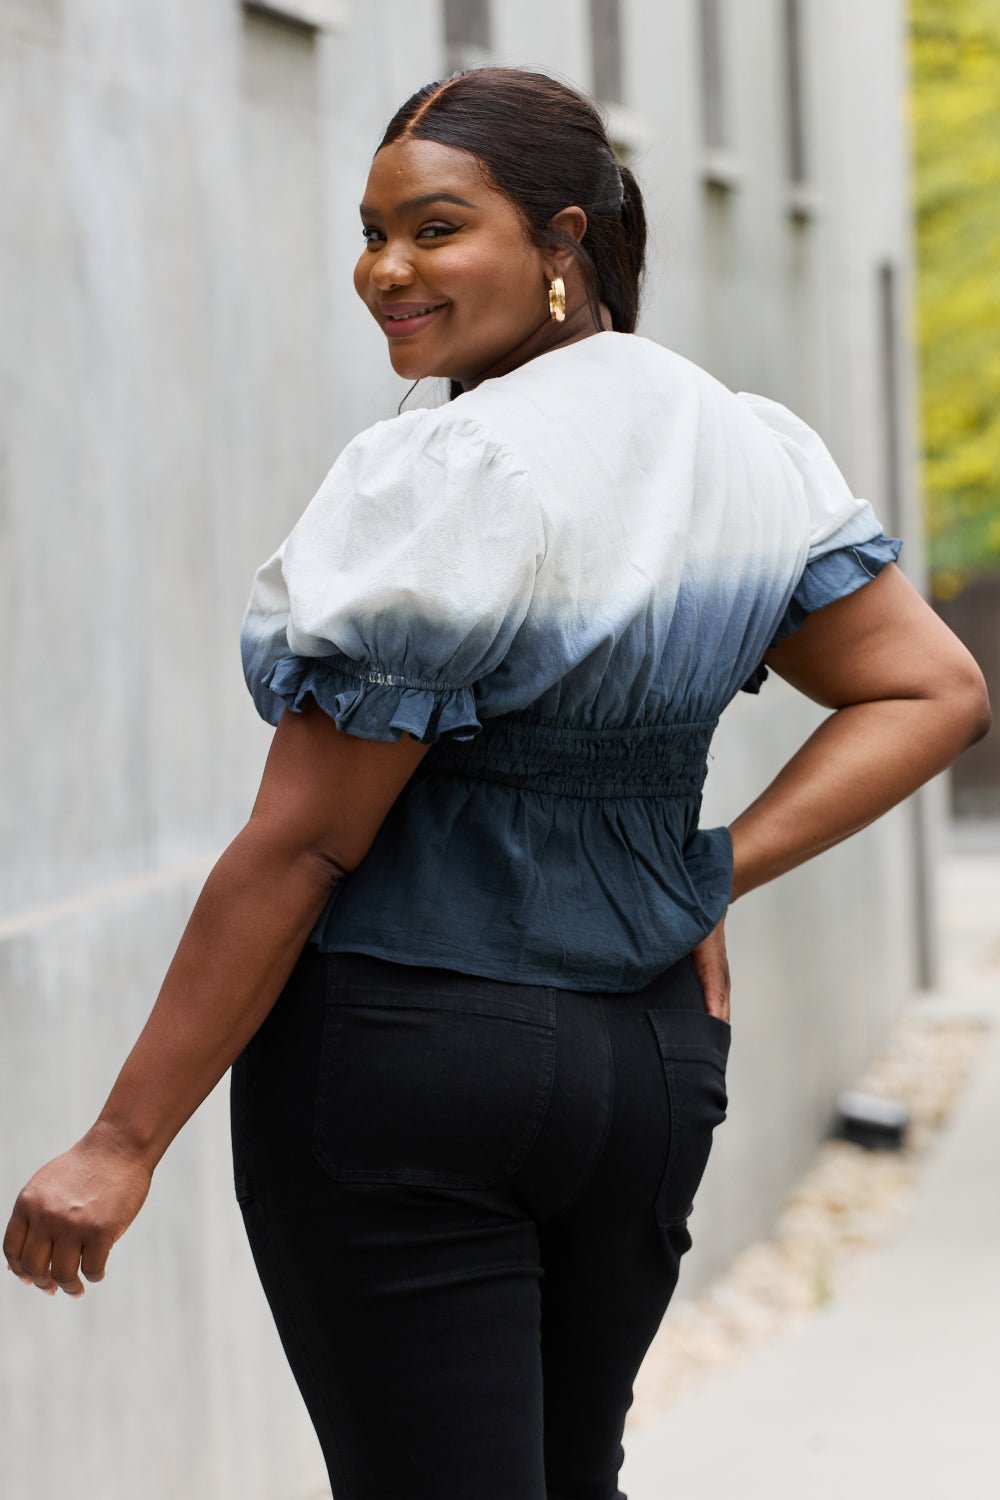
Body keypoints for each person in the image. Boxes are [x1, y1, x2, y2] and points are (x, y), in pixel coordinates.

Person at [4, 64, 990, 1500]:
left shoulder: (452, 470)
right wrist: (703, 871)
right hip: (647, 1064)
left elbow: (302, 847)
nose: (386, 269)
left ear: (562, 241)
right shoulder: (741, 444)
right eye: (371, 229)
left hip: (414, 1047)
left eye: (437, 228)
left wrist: (120, 1138)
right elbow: (931, 685)